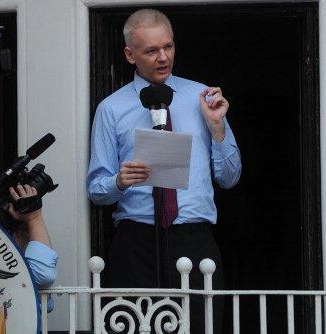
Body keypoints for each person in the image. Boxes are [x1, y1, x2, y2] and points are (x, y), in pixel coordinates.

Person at [86, 9, 241, 333]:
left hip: (194, 239)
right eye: (151, 50)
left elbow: (229, 178)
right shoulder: (111, 109)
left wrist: (218, 130)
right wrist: (119, 181)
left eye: (168, 47)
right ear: (130, 54)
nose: (162, 57)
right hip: (136, 241)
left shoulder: (203, 97)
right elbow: (96, 190)